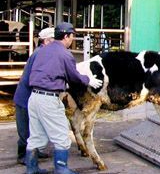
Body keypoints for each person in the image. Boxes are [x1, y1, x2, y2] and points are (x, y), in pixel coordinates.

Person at [25, 22, 103, 174]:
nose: (72, 40)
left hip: (34, 97)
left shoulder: (42, 50)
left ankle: (31, 169)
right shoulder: (65, 54)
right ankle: (61, 169)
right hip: (49, 99)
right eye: (72, 37)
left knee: (36, 136)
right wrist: (89, 80)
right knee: (62, 136)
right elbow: (73, 77)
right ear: (66, 36)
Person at [13, 27, 55, 165]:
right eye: (54, 40)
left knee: (35, 126)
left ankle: (36, 151)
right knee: (25, 129)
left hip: (32, 96)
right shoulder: (41, 53)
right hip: (26, 97)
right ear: (47, 40)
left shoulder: (42, 52)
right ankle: (22, 155)